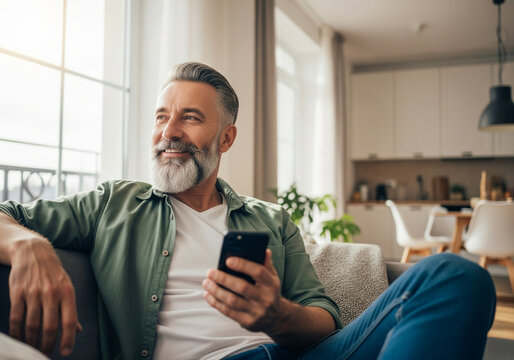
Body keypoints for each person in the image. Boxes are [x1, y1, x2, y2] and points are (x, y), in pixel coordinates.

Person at [0, 62, 496, 360]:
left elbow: (324, 318)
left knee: (457, 276)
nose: (169, 131)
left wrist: (277, 315)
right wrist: (26, 241)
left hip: (290, 353)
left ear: (226, 138)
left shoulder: (270, 219)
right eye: (161, 117)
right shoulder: (114, 203)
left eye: (190, 118)